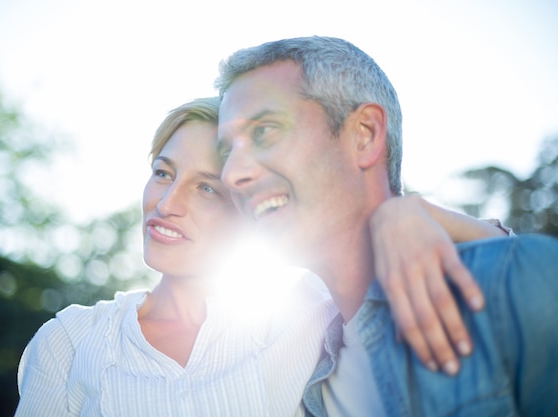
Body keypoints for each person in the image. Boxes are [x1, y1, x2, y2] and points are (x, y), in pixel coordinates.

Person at [14, 97, 508, 416]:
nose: (166, 204)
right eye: (163, 173)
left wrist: (410, 212)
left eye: (207, 189)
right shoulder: (72, 341)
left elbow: (500, 263)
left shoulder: (307, 311)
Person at [215, 36, 558, 416]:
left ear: (365, 134)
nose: (231, 174)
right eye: (226, 151)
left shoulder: (505, 290)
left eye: (265, 131)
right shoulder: (305, 377)